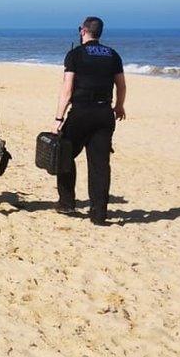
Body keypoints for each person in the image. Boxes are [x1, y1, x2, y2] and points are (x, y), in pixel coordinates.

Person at [52, 16, 127, 225]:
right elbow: (121, 85)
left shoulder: (75, 54)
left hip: (81, 112)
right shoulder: (113, 54)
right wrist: (119, 106)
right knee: (100, 165)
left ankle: (67, 202)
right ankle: (99, 214)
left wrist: (59, 117)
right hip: (104, 113)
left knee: (65, 155)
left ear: (83, 31)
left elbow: (67, 89)